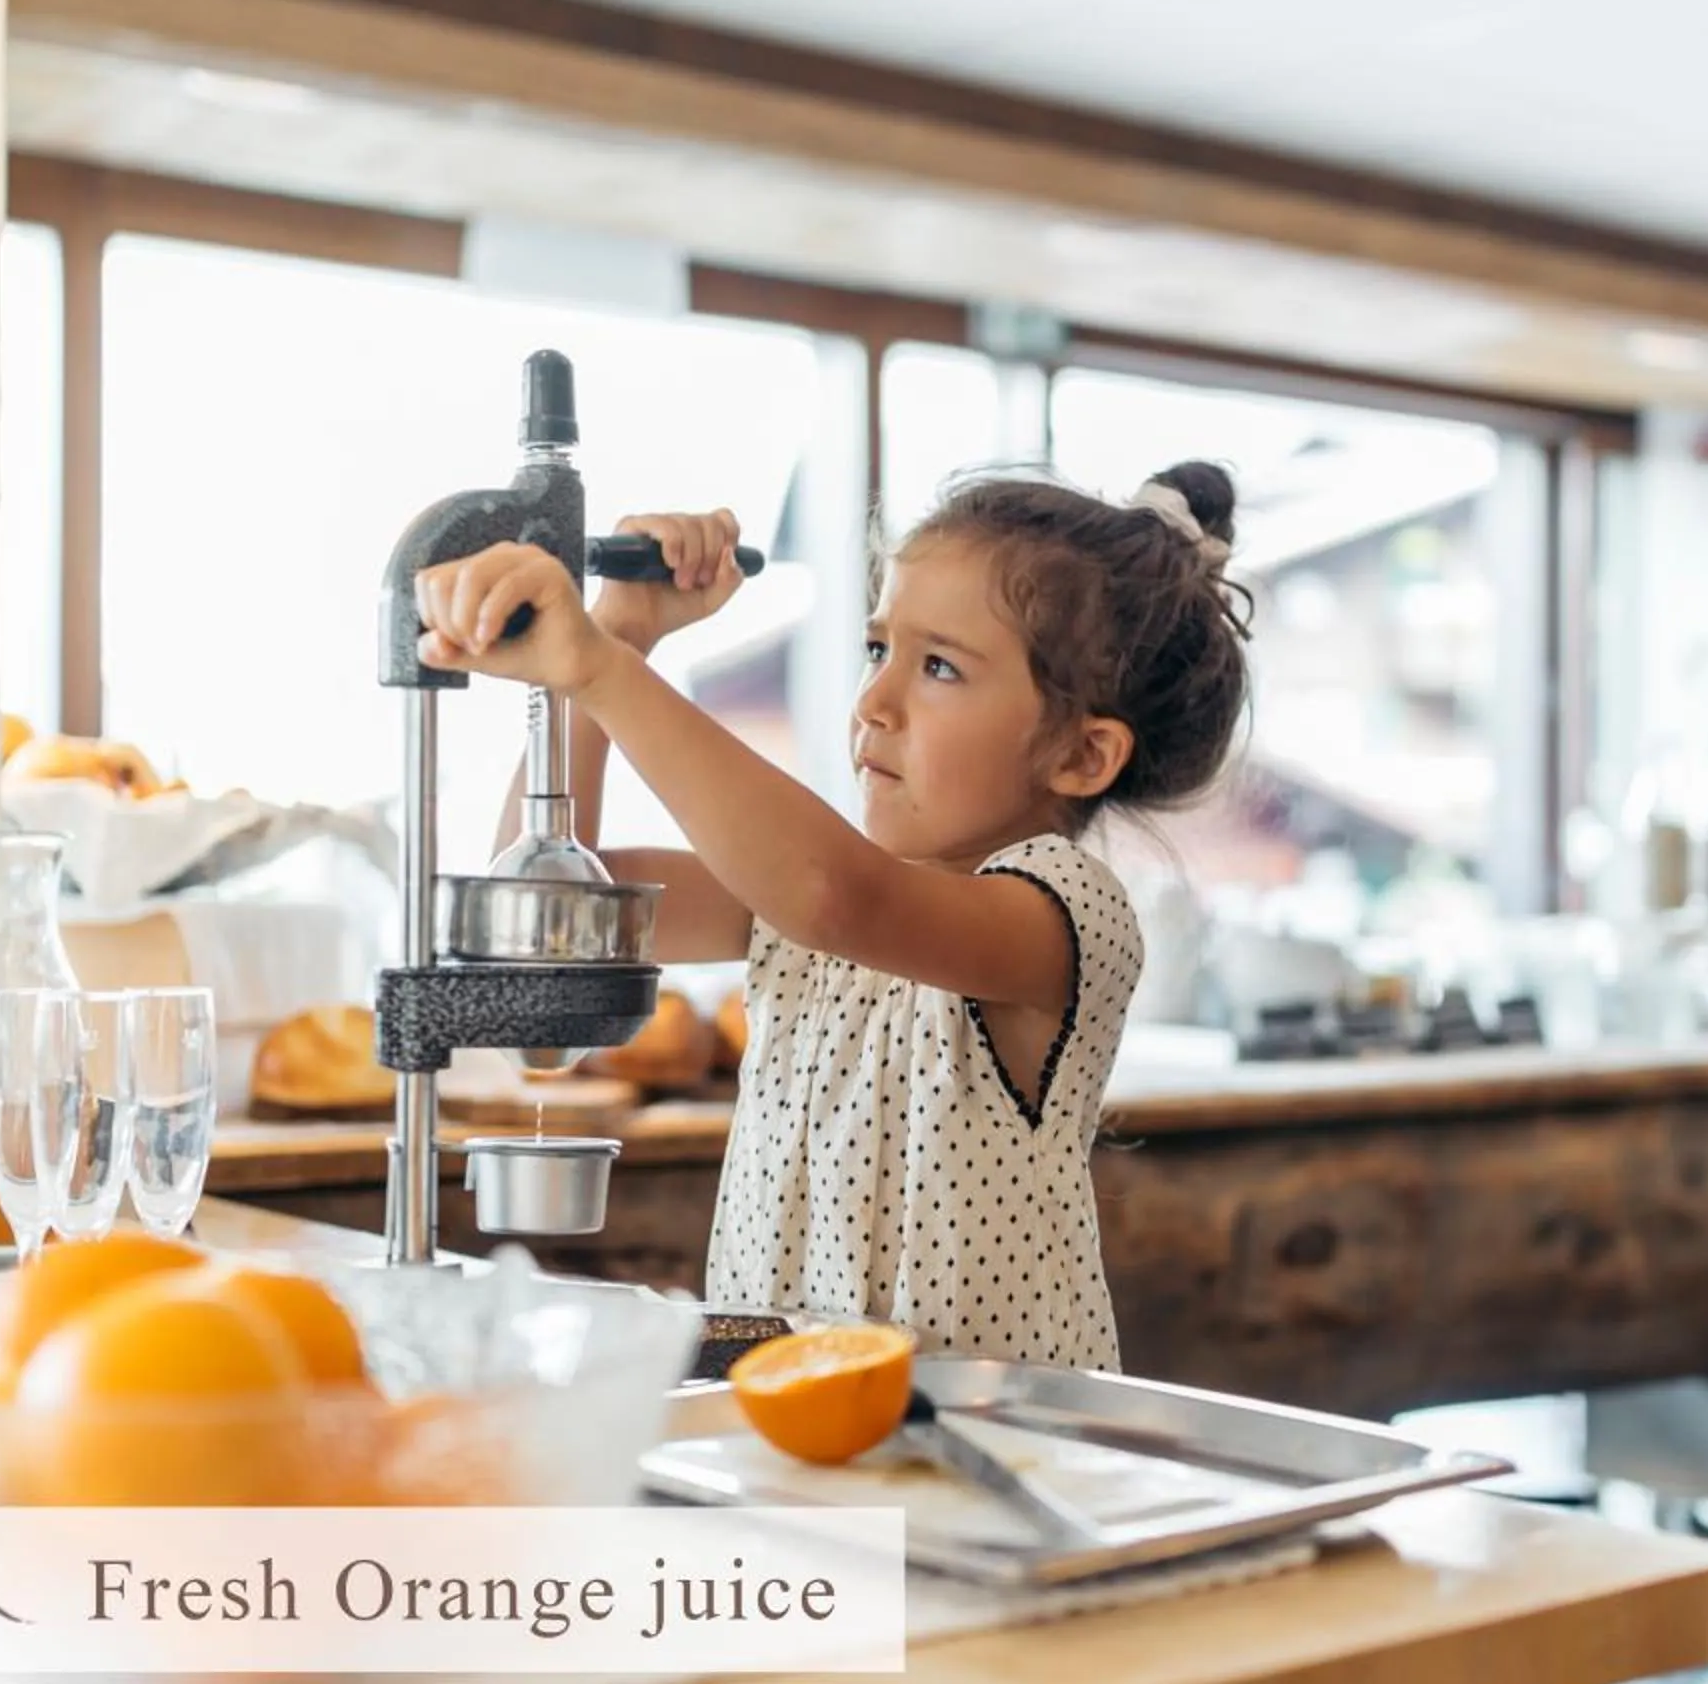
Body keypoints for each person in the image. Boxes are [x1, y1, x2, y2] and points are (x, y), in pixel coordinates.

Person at [413, 463, 1252, 1367]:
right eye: (876, 650)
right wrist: (625, 634)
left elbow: (835, 894)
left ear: (1084, 756)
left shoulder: (1060, 914)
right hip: (788, 1425)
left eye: (938, 667)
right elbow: (545, 923)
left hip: (992, 1451)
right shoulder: (789, 907)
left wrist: (602, 672)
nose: (874, 705)